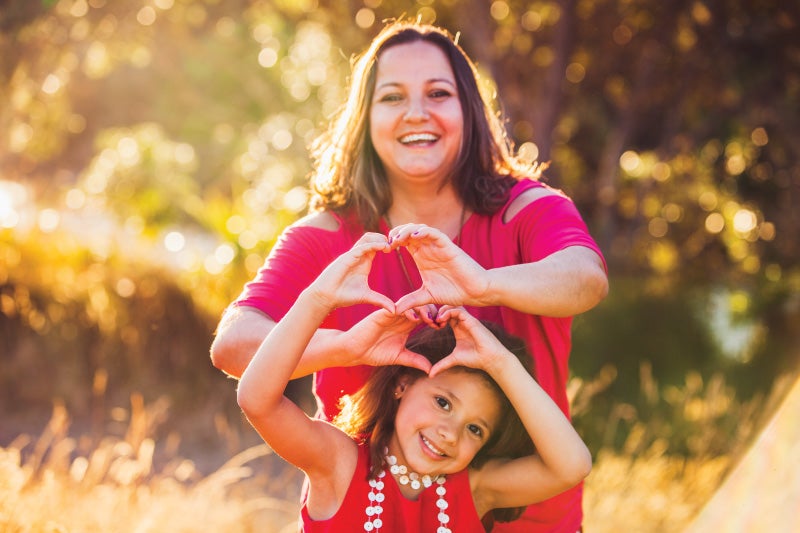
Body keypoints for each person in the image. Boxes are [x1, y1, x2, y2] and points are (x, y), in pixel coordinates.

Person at [211, 19, 608, 531]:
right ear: (366, 119)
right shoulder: (327, 236)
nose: (417, 113)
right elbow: (234, 346)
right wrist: (350, 347)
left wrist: (483, 285)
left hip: (532, 518)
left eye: (438, 93)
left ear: (469, 111)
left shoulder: (526, 209)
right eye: (393, 97)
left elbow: (586, 277)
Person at [236, 235, 593, 532]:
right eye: (443, 403)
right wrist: (321, 307)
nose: (450, 433)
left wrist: (502, 363)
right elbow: (257, 400)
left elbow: (571, 467)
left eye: (475, 429)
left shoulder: (475, 489)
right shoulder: (339, 463)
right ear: (402, 385)